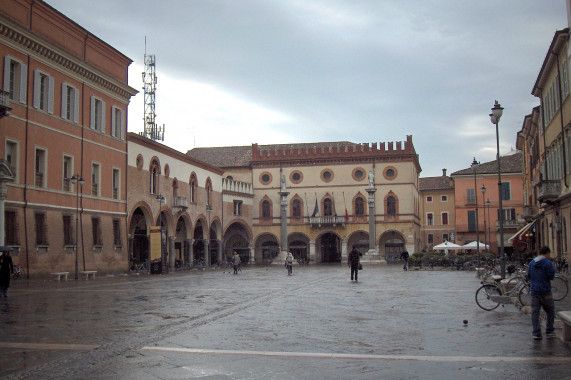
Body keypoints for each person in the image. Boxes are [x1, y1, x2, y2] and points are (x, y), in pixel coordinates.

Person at [527, 246, 556, 340]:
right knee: (550, 311)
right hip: (545, 290)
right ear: (547, 253)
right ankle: (549, 330)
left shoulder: (532, 263)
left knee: (535, 312)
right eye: (549, 254)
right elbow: (551, 275)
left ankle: (536, 333)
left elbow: (529, 275)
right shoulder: (548, 263)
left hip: (534, 291)